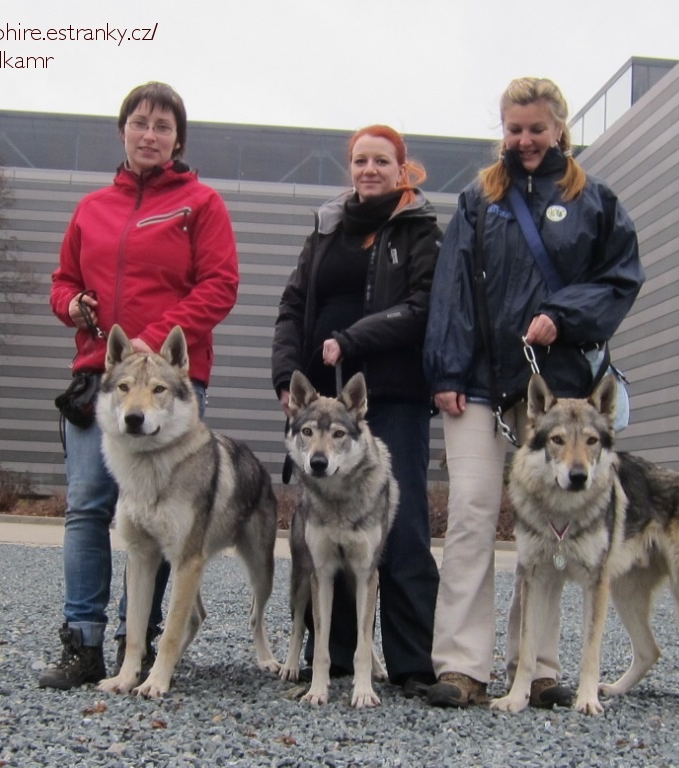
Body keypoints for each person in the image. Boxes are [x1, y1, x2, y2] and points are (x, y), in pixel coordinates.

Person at [422, 77, 644, 708]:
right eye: (514, 128)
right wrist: (445, 370)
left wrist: (563, 312)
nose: (523, 140)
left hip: (556, 389)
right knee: (470, 513)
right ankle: (463, 664)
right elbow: (453, 286)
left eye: (535, 129)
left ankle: (536, 665)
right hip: (478, 381)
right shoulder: (477, 199)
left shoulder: (594, 200)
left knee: (551, 525)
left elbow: (622, 278)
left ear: (559, 128)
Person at [40, 81, 239, 689]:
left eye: (162, 125)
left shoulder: (200, 204)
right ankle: (83, 643)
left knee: (163, 522)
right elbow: (61, 280)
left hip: (170, 389)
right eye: (139, 122)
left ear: (178, 138)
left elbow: (220, 285)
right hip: (99, 382)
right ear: (122, 130)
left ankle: (146, 647)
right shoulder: (91, 208)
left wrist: (151, 345)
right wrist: (69, 304)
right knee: (88, 508)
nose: (149, 134)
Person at [271, 125, 442, 695]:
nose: (369, 170)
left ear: (402, 169)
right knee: (325, 533)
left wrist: (355, 338)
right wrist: (283, 375)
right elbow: (294, 305)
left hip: (390, 397)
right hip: (322, 406)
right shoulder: (325, 228)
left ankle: (414, 664)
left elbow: (424, 306)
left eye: (382, 161)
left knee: (405, 528)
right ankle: (338, 659)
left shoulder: (419, 229)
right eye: (360, 161)